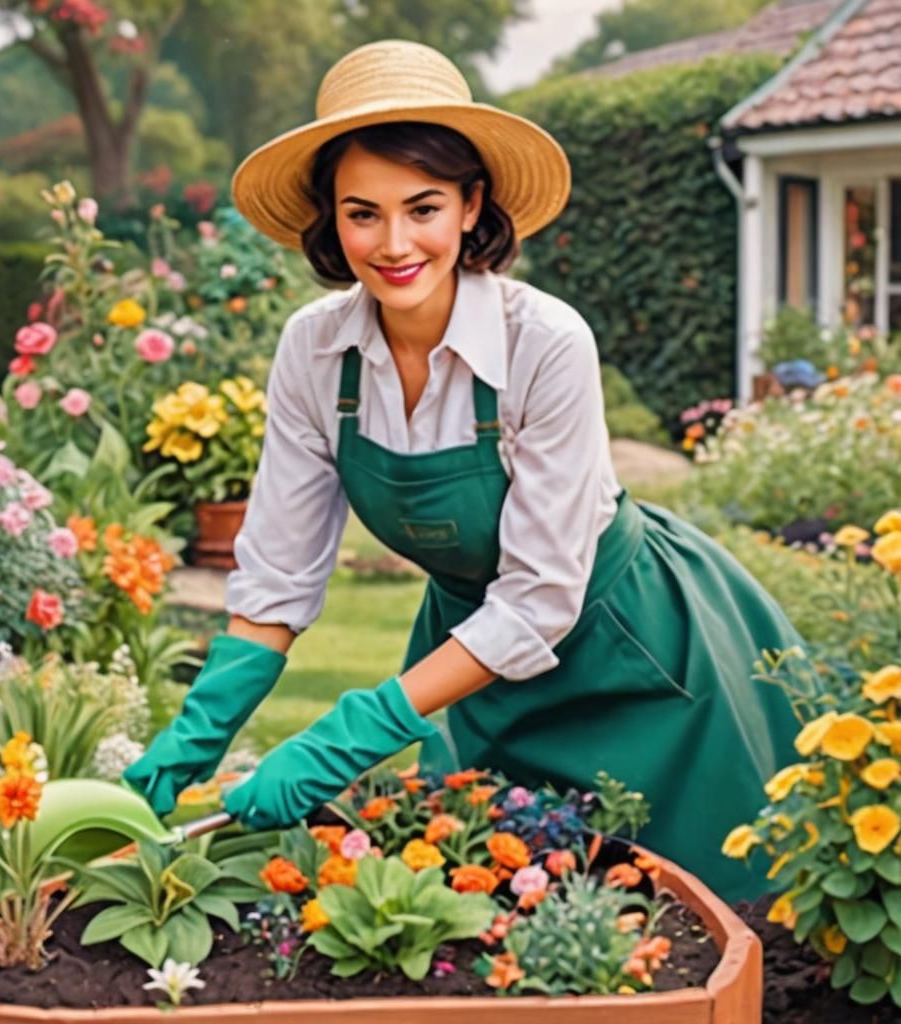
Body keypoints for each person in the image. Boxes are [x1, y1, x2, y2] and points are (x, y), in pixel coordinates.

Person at [124, 39, 802, 902]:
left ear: (472, 203)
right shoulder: (315, 350)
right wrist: (200, 731)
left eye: (424, 207)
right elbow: (280, 572)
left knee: (696, 913)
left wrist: (354, 730)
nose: (395, 242)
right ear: (330, 218)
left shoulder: (544, 343)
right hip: (473, 659)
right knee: (502, 906)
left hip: (634, 648)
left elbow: (539, 596)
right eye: (362, 212)